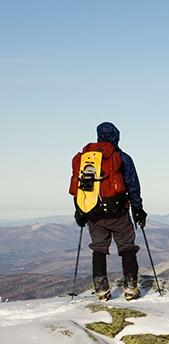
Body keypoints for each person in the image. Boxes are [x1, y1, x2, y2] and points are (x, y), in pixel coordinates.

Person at [69, 122, 147, 301]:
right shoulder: (121, 157)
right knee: (127, 247)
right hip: (118, 211)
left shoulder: (85, 159)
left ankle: (102, 291)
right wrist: (138, 209)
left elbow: (79, 187)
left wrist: (79, 211)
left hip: (93, 212)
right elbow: (133, 185)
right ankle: (130, 289)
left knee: (99, 249)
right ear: (116, 136)